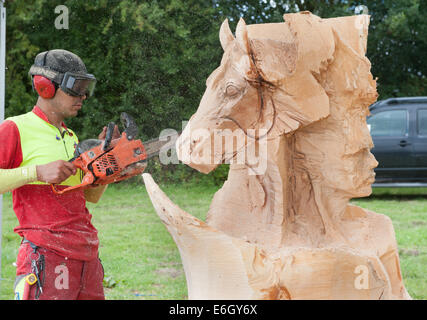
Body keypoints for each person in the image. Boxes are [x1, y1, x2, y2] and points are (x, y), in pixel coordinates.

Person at [0, 49, 119, 300]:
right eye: (76, 87)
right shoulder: (16, 127)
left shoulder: (71, 136)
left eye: (86, 88)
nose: (83, 96)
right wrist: (36, 172)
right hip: (46, 253)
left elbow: (90, 197)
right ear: (45, 87)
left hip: (86, 254)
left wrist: (104, 169)